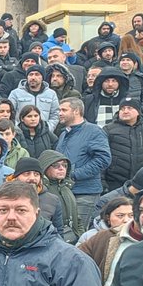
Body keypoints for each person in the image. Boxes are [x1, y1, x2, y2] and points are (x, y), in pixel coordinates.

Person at [56, 97, 112, 227]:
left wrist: (74, 174)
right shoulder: (63, 134)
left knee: (78, 233)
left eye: (64, 110)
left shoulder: (94, 131)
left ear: (76, 111)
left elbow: (103, 159)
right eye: (59, 110)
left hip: (85, 193)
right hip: (65, 192)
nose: (60, 113)